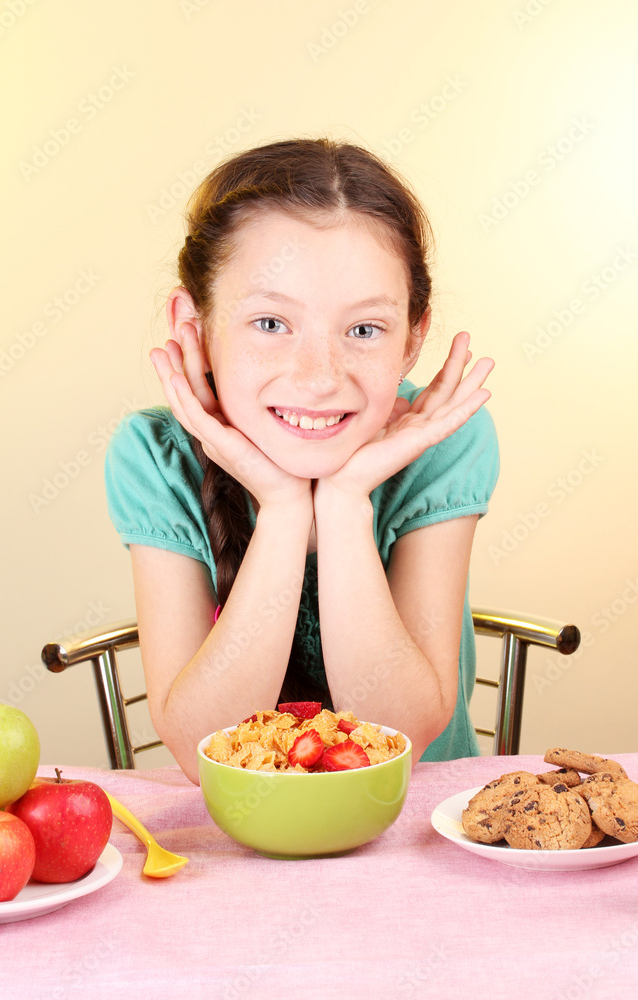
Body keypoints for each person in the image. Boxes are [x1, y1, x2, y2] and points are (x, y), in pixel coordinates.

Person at [104, 137, 498, 783]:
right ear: (195, 327)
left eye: (364, 330)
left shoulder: (445, 440)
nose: (319, 378)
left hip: (418, 828)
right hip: (234, 834)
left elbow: (400, 735)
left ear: (412, 339)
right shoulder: (155, 457)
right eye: (270, 323)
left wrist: (343, 504)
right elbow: (204, 753)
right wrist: (286, 507)